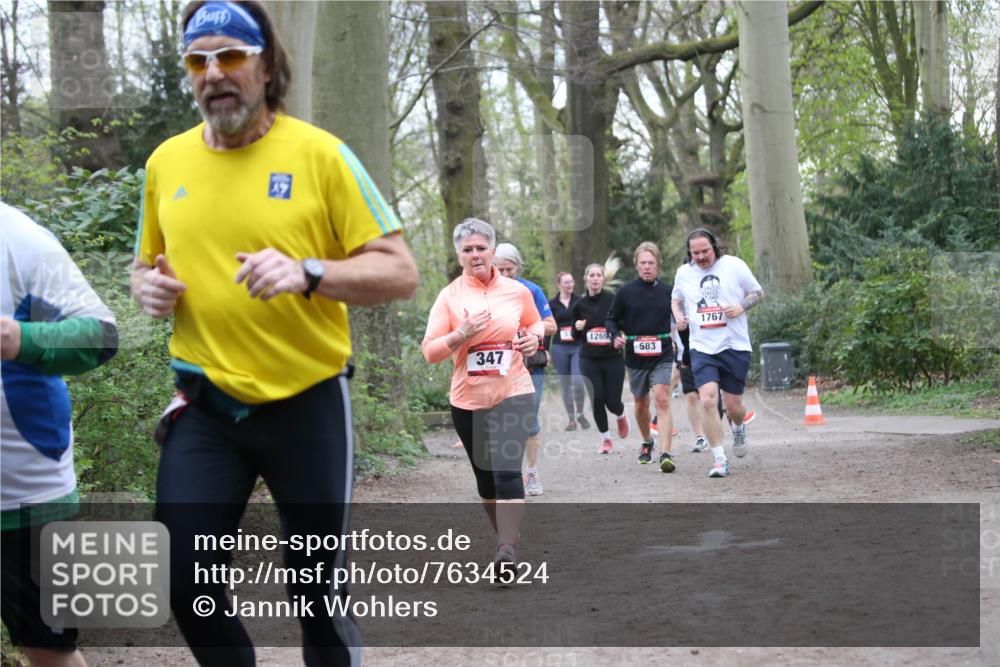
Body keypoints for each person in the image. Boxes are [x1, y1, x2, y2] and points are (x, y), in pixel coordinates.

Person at [131, 2, 419, 664]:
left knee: (315, 589)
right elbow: (145, 263)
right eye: (198, 60)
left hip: (307, 401)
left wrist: (308, 271)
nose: (214, 73)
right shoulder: (166, 163)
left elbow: (400, 272)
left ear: (266, 65)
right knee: (181, 578)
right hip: (206, 406)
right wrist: (144, 286)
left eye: (230, 56)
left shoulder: (321, 155)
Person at [1, 201, 119, 667]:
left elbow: (101, 335)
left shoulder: (20, 239)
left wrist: (23, 340)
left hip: (23, 490)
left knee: (49, 649)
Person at [422, 219, 543, 566]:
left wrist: (534, 337)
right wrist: (460, 334)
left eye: (480, 248)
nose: (475, 255)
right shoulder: (449, 297)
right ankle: (507, 538)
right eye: (467, 250)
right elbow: (430, 352)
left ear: (492, 250)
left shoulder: (516, 290)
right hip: (468, 399)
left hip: (513, 390)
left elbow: (534, 321)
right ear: (458, 255)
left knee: (507, 471)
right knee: (487, 482)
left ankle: (506, 550)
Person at [672, 228, 764, 478]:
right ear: (689, 253)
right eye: (695, 253)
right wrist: (679, 316)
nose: (701, 257)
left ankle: (738, 427)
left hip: (734, 346)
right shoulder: (684, 273)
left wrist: (740, 306)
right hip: (702, 347)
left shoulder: (734, 265)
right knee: (708, 400)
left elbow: (758, 293)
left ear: (715, 246)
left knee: (734, 406)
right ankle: (720, 459)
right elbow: (676, 299)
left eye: (705, 251)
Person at [606, 242, 677, 473]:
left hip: (663, 353)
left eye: (651, 263)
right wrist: (615, 336)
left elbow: (681, 316)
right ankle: (647, 441)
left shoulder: (668, 291)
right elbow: (611, 319)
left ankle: (666, 453)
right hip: (636, 355)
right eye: (643, 263)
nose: (647, 267)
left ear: (658, 265)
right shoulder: (625, 292)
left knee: (662, 399)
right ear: (637, 265)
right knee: (640, 403)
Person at [493, 243, 556, 497]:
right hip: (498, 365)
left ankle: (531, 472)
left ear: (518, 266)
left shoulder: (531, 290)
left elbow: (551, 325)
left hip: (530, 365)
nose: (505, 274)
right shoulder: (487, 292)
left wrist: (530, 329)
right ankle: (506, 473)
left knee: (528, 420)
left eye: (509, 269)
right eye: (500, 269)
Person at [571, 263, 629, 454]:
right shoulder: (579, 305)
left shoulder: (613, 299)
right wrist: (577, 328)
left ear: (603, 279)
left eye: (598, 275)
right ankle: (606, 439)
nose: (595, 278)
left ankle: (620, 413)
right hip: (589, 359)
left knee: (612, 401)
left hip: (612, 357)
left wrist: (620, 337)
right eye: (592, 275)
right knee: (597, 399)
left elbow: (623, 323)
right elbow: (574, 335)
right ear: (586, 279)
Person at [548, 272, 589, 432]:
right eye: (566, 282)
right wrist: (545, 350)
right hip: (559, 347)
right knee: (565, 384)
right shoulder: (552, 304)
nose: (569, 285)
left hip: (577, 346)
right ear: (559, 284)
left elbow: (588, 322)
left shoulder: (580, 301)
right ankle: (571, 419)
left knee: (578, 381)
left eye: (571, 282)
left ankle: (580, 413)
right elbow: (547, 327)